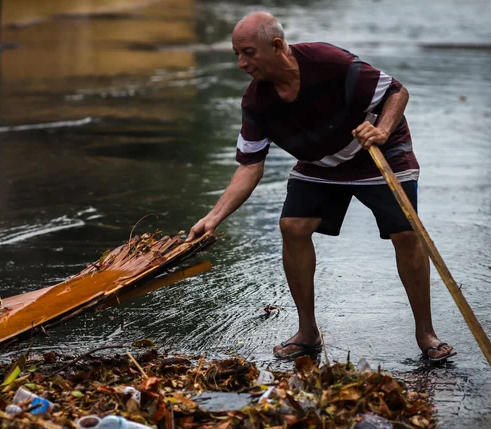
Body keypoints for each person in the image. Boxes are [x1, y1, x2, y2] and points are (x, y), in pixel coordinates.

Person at [186, 11, 455, 362]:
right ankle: (307, 332)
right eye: (237, 54)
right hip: (320, 164)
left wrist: (383, 129)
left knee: (405, 234)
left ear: (278, 46)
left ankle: (426, 333)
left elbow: (396, 92)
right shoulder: (257, 102)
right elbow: (250, 167)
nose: (241, 63)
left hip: (378, 152)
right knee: (292, 227)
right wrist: (214, 217)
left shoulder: (328, 62)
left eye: (248, 52)